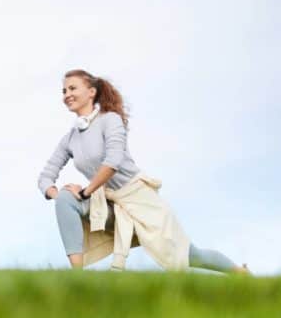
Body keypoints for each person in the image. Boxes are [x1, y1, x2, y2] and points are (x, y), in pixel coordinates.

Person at [37, 69, 248, 273]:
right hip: (108, 206)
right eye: (64, 91)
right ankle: (77, 277)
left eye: (72, 88)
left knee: (190, 255)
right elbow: (45, 178)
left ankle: (240, 274)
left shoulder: (110, 120)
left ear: (91, 92)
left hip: (138, 198)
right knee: (65, 199)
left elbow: (113, 161)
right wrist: (61, 194)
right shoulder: (70, 139)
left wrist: (85, 191)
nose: (67, 95)